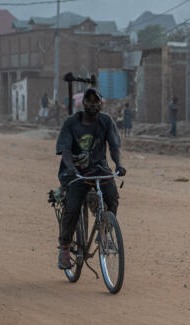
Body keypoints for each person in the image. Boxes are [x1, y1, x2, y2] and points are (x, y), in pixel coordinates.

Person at [55, 88, 126, 269]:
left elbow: (114, 146)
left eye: (96, 102)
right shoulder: (71, 123)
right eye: (89, 101)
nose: (92, 105)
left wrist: (118, 165)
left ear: (100, 103)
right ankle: (64, 247)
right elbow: (65, 150)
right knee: (72, 207)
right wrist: (71, 168)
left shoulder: (106, 121)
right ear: (83, 103)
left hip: (99, 169)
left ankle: (104, 232)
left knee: (112, 198)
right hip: (76, 172)